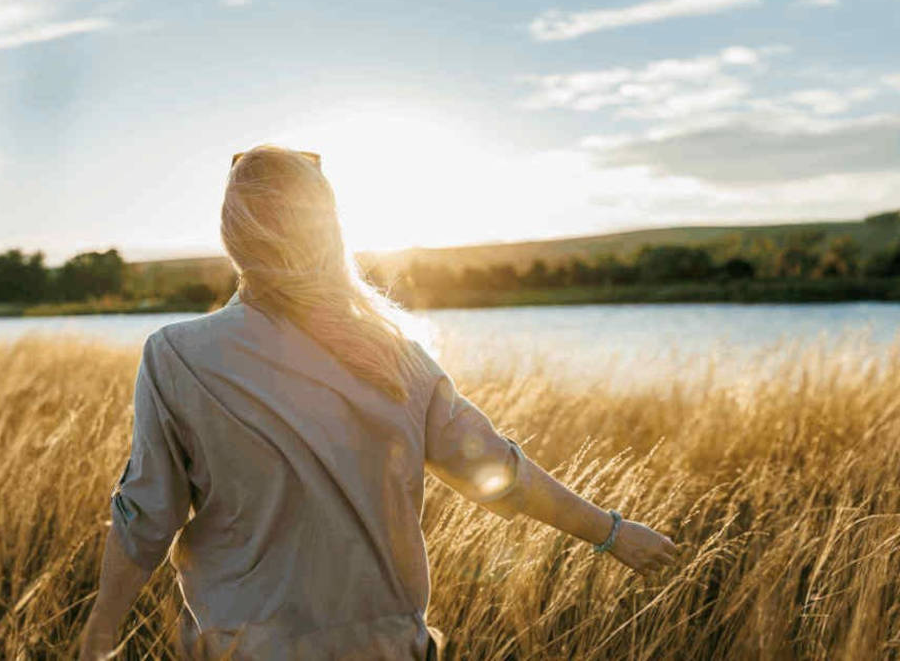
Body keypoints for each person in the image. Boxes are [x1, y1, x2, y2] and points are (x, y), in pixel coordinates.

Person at [77, 145, 679, 660]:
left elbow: (146, 513)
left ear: (233, 238)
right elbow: (498, 472)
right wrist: (612, 533)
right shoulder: (397, 356)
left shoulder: (177, 356)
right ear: (332, 235)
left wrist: (101, 631)